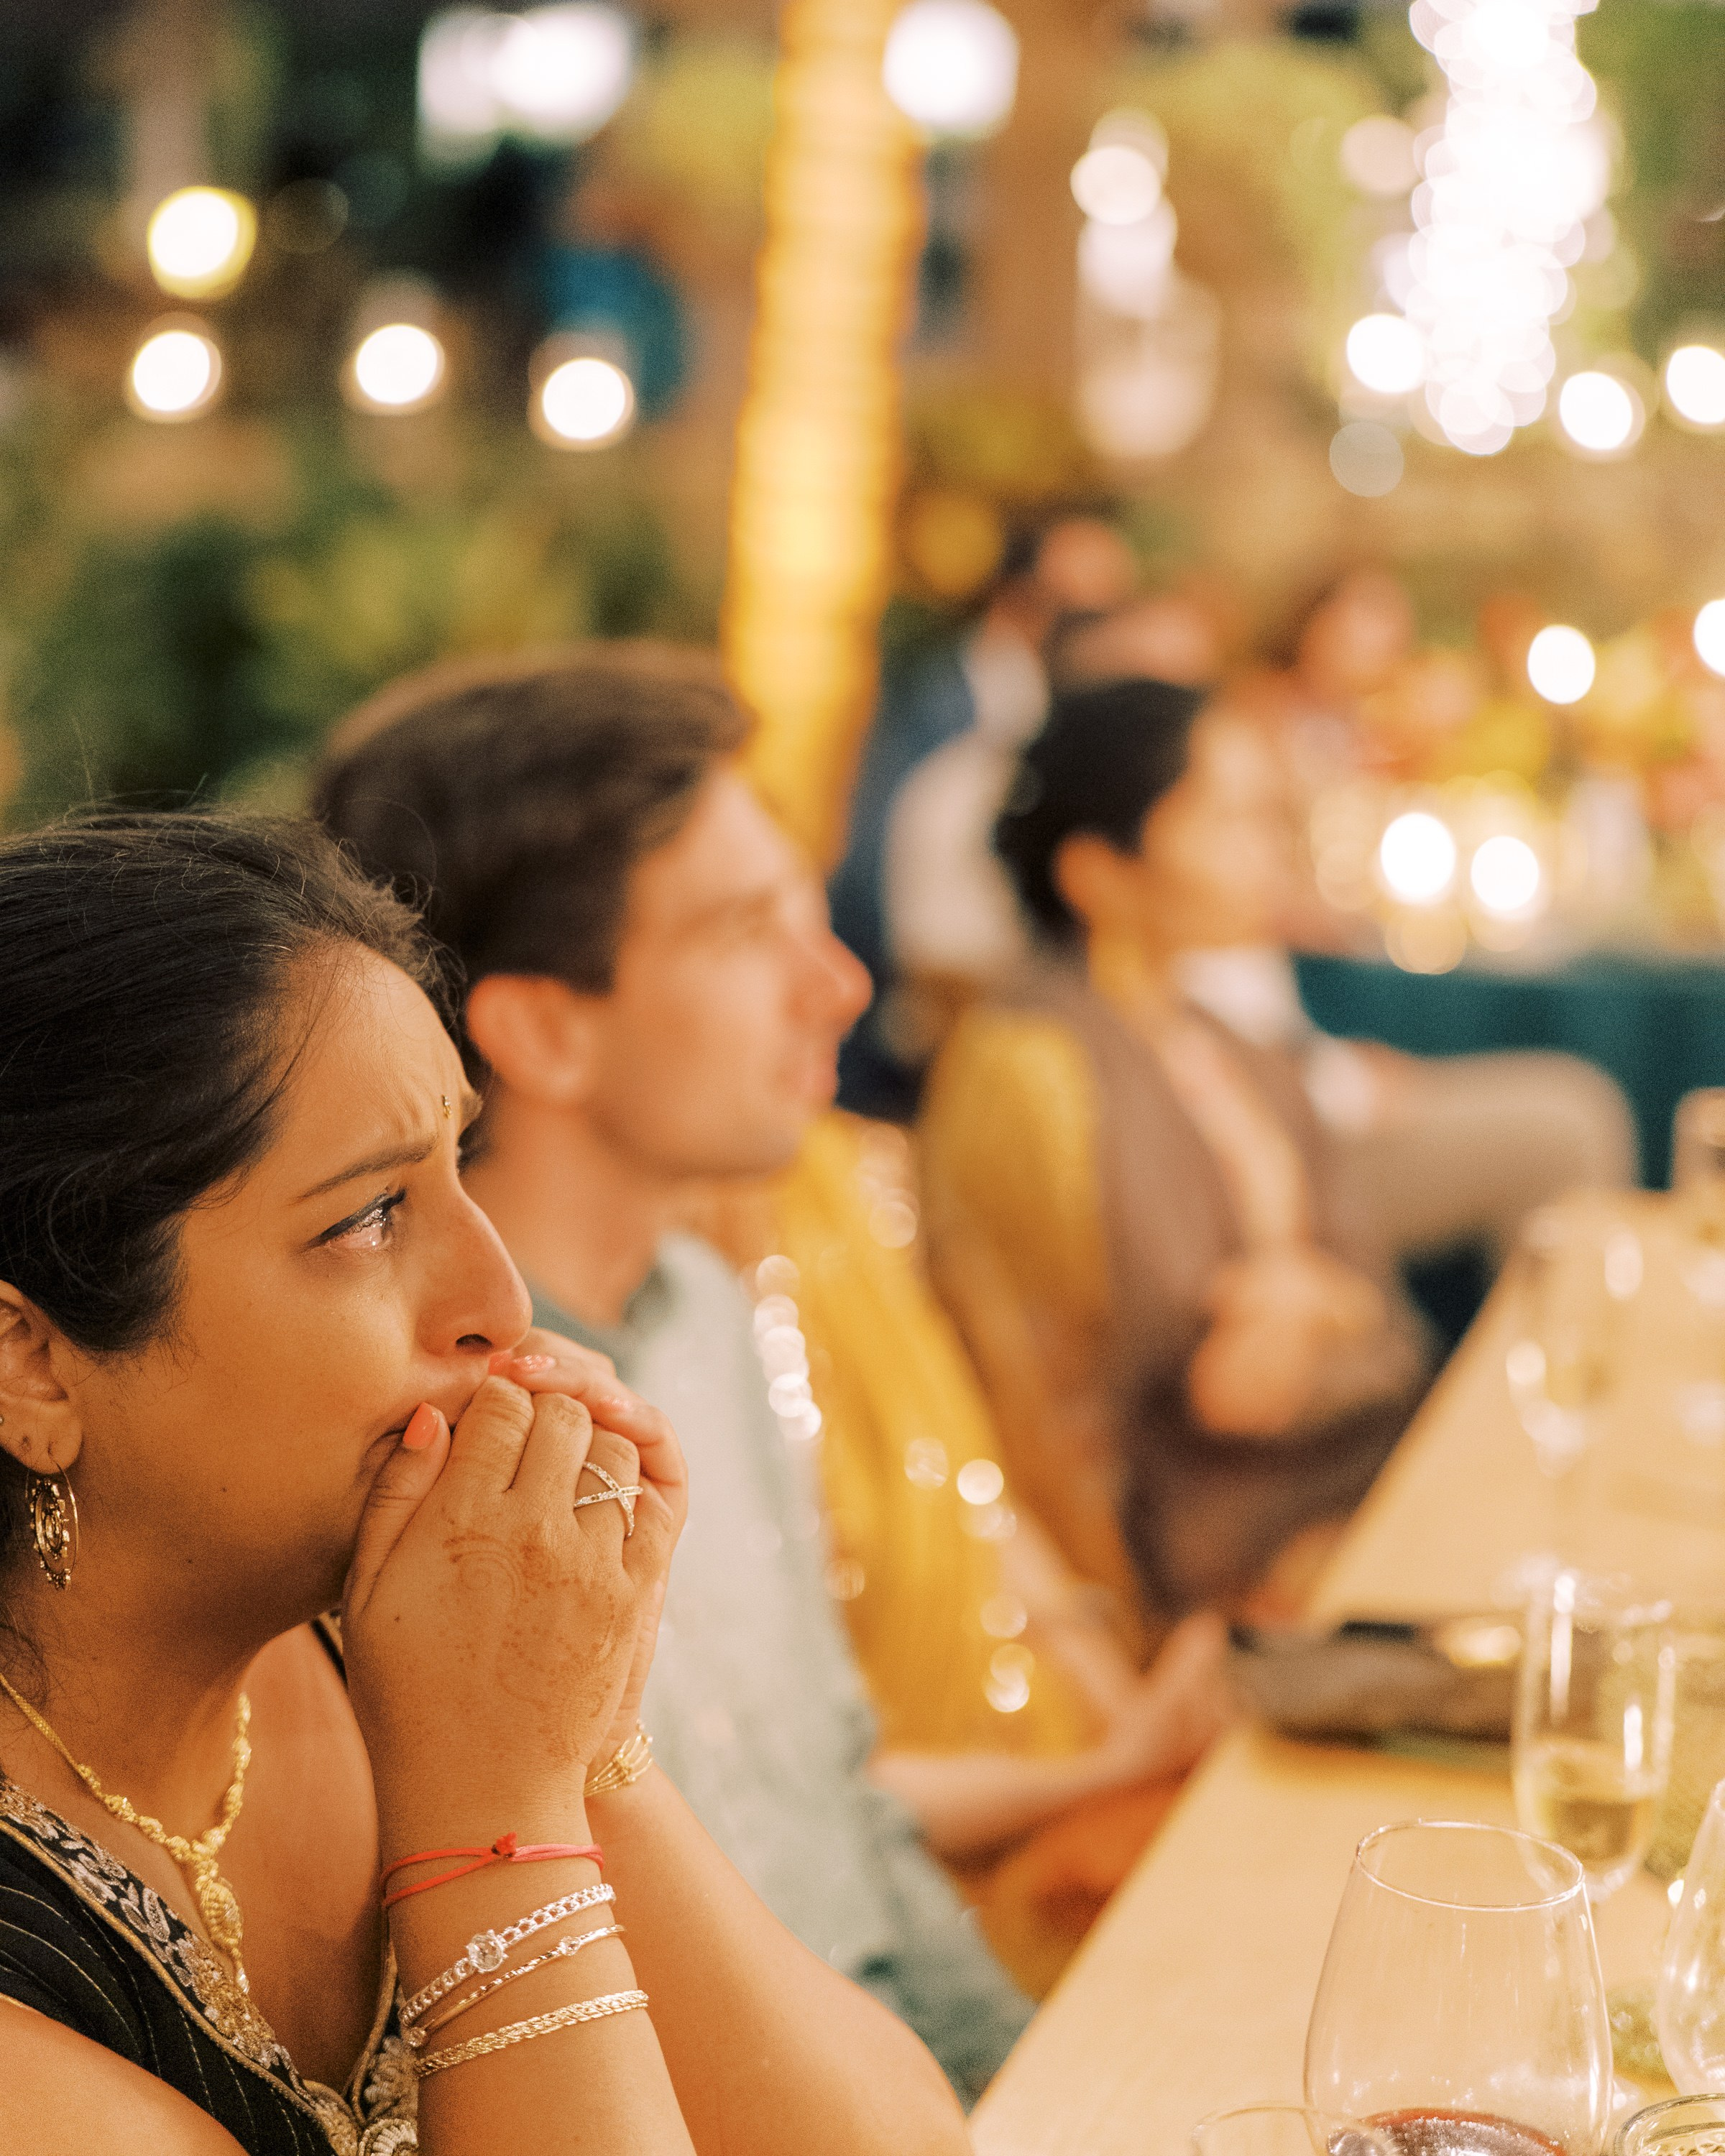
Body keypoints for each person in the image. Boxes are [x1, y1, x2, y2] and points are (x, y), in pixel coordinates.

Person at [0, 811, 970, 2156]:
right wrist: (496, 1829)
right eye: (367, 1218)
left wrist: (582, 1741)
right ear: (31, 1361)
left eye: (461, 1162)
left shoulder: (389, 1629)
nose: (499, 1300)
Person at [313, 644, 1228, 2051]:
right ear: (546, 1028)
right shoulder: (456, 1447)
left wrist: (1021, 2095)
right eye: (747, 932)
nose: (841, 986)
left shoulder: (705, 1312)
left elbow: (843, 1821)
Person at [920, 681, 1433, 1621]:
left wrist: (1314, 1302)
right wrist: (1318, 1306)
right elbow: (1110, 1405)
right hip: (1184, 1560)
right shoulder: (1031, 1069)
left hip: (1319, 1481)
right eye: (1232, 818)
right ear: (1100, 872)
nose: (1268, 849)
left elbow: (1377, 1300)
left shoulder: (1220, 1033)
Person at [830, 512, 1138, 1116]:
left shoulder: (1043, 705)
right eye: (1080, 607)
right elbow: (876, 864)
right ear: (1018, 596)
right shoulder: (949, 710)